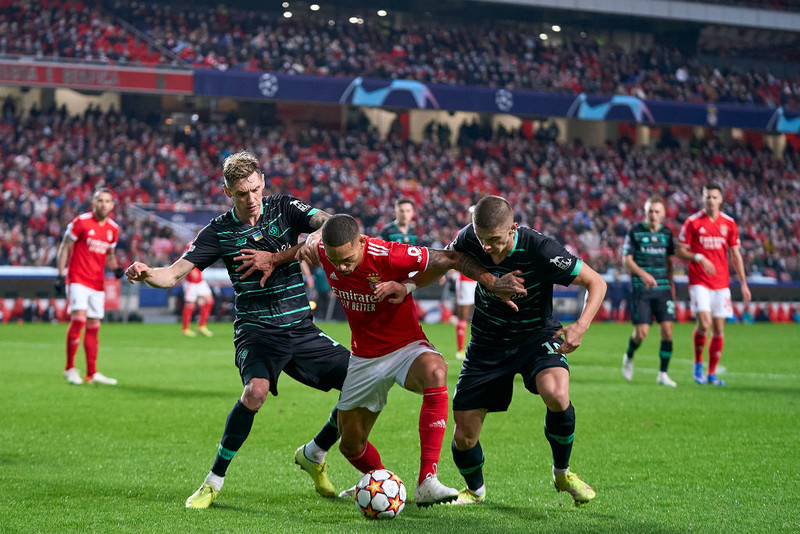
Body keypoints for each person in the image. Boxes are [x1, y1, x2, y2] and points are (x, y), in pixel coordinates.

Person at [125, 151, 351, 508]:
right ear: (227, 191)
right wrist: (146, 273)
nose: (251, 199)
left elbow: (332, 223)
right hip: (257, 330)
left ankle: (316, 452)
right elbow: (172, 274)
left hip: (300, 327)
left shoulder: (286, 208)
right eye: (242, 193)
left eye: (256, 189)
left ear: (262, 182)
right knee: (255, 392)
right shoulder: (218, 231)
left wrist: (308, 241)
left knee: (361, 382)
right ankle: (213, 481)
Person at [408, 195, 606, 506]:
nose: (487, 247)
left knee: (556, 394)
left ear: (513, 228)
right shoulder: (468, 238)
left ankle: (562, 472)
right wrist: (410, 287)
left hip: (536, 334)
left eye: (495, 240)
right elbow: (448, 258)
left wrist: (581, 325)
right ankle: (476, 491)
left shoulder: (540, 248)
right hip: (488, 341)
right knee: (463, 437)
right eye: (482, 240)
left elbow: (596, 282)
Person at [315, 214, 525, 506]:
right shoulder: (322, 250)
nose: (343, 267)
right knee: (350, 445)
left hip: (405, 346)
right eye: (336, 261)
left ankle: (428, 481)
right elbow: (302, 248)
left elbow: (451, 258)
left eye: (348, 259)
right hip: (364, 355)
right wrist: (276, 258)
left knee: (436, 371)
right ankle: (380, 483)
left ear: (361, 241)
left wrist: (490, 281)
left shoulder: (389, 254)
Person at [676, 182, 751, 386]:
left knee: (718, 329)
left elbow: (735, 255)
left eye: (714, 197)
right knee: (705, 323)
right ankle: (698, 364)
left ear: (721, 200)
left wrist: (743, 283)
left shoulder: (729, 223)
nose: (711, 200)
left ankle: (711, 373)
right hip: (699, 280)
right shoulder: (692, 222)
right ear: (703, 199)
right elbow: (680, 250)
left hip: (721, 283)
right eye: (707, 197)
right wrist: (699, 257)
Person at [56, 188, 125, 386]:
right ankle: (70, 368)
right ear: (93, 203)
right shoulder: (81, 222)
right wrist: (60, 276)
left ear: (112, 205)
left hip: (97, 282)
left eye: (107, 201)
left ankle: (91, 373)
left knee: (94, 326)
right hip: (78, 278)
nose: (103, 204)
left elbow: (110, 255)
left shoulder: (113, 228)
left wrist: (116, 269)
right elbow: (65, 246)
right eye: (99, 200)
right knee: (78, 320)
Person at [621, 195, 678, 387]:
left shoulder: (667, 234)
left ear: (663, 214)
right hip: (641, 288)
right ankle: (629, 355)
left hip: (663, 288)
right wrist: (643, 275)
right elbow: (627, 260)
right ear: (645, 213)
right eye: (650, 211)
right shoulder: (635, 232)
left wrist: (672, 285)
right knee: (641, 333)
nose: (653, 215)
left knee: (667, 331)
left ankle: (663, 373)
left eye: (657, 211)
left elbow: (669, 261)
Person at [181, 266, 214, 337]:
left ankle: (201, 326)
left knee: (209, 301)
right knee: (190, 305)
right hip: (191, 283)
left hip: (200, 281)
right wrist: (190, 270)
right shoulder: (184, 255)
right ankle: (185, 329)